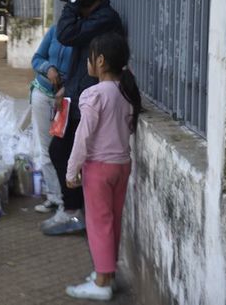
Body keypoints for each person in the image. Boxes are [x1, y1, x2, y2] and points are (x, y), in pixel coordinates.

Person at [42, 0, 124, 236]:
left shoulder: (105, 18)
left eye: (73, 2)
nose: (71, 9)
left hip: (91, 100)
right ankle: (72, 209)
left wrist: (74, 0)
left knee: (68, 152)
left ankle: (75, 211)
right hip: (74, 97)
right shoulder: (88, 18)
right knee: (58, 149)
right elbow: (78, 55)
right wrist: (67, 87)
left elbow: (65, 34)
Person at [64, 33, 141, 301]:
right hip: (122, 166)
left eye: (89, 57)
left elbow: (82, 136)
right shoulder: (126, 92)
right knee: (113, 221)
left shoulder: (94, 94)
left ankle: (101, 281)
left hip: (98, 168)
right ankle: (107, 274)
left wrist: (71, 169)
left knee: (98, 224)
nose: (87, 62)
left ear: (99, 61)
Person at [30, 24, 72, 214]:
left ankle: (67, 200)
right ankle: (53, 197)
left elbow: (85, 71)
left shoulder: (81, 35)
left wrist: (67, 87)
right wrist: (48, 68)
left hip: (68, 100)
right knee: (45, 149)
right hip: (42, 93)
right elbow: (37, 59)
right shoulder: (56, 30)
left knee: (64, 150)